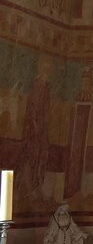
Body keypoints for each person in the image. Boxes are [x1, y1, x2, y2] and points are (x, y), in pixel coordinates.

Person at [17, 57, 53, 197]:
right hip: (34, 129)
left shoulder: (46, 86)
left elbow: (45, 109)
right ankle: (26, 187)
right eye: (45, 67)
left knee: (41, 155)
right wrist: (35, 124)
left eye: (49, 68)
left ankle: (35, 187)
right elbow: (32, 108)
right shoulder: (37, 84)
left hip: (42, 127)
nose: (47, 70)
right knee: (31, 155)